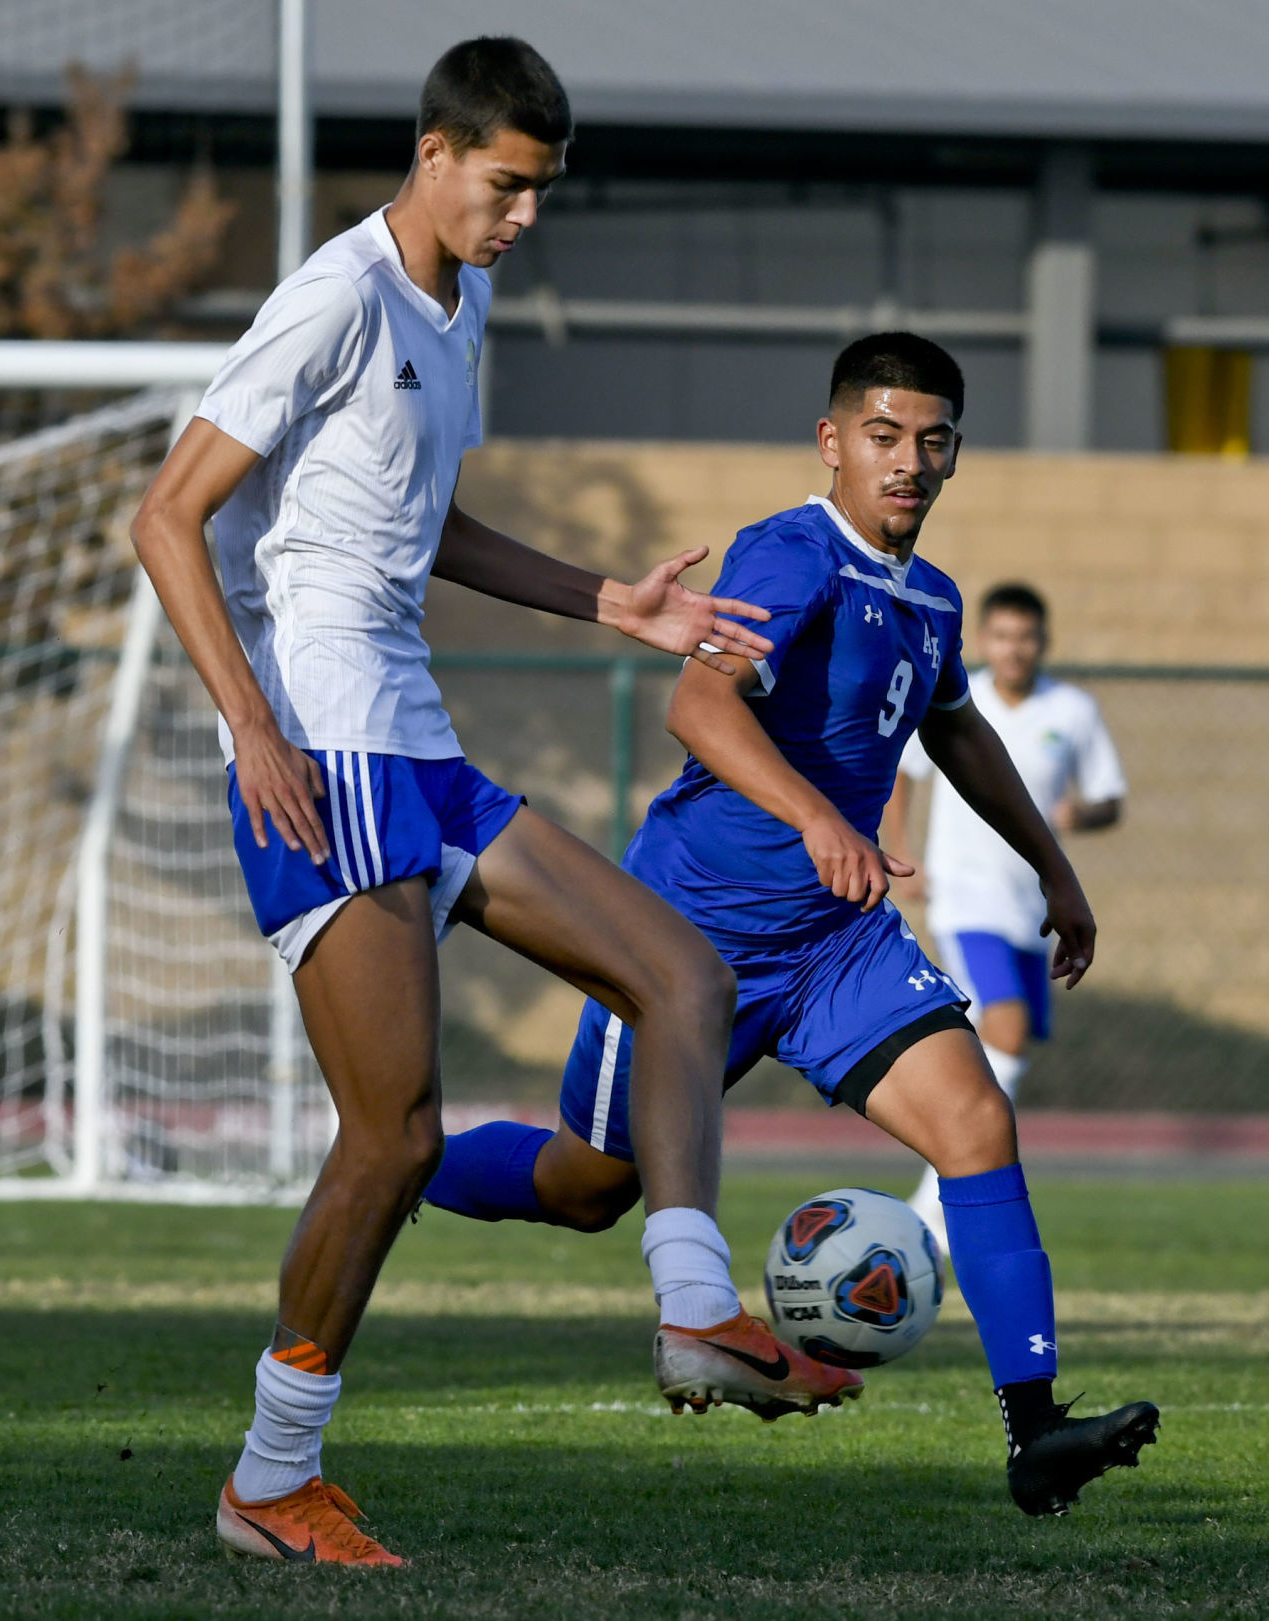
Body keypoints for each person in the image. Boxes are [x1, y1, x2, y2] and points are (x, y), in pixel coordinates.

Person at [130, 36, 856, 1570]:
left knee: (680, 976)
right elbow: (167, 514)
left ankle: (691, 1310)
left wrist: (611, 603)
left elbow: (424, 514)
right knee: (389, 1140)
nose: (523, 217)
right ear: (437, 151)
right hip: (321, 750)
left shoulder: (461, 311)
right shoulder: (333, 293)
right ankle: (270, 1478)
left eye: (540, 193)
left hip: (418, 742)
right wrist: (249, 727)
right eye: (509, 186)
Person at [423, 332, 1159, 1518]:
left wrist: (1054, 869)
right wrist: (824, 819)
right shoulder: (790, 551)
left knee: (975, 1123)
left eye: (930, 441)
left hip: (833, 945)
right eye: (881, 437)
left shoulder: (930, 595)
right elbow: (697, 703)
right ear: (832, 444)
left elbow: (957, 730)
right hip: (682, 941)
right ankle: (410, 1158)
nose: (905, 461)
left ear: (954, 454)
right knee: (581, 1188)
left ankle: (1037, 1432)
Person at [887, 584, 1127, 1254]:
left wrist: (1080, 814)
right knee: (1006, 1026)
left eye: (1024, 636)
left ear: (1041, 641)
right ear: (983, 640)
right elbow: (902, 770)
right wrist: (899, 847)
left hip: (1033, 910)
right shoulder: (958, 701)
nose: (1012, 648)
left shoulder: (1071, 711)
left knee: (991, 1050)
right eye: (1000, 635)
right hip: (965, 901)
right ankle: (933, 1207)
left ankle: (960, 1174)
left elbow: (1109, 798)